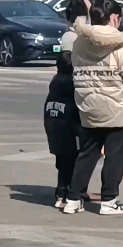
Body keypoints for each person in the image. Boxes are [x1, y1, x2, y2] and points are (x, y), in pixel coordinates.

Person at [63, 0, 123, 216]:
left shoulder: (80, 41)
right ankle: (109, 200)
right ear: (115, 18)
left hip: (87, 104)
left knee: (87, 153)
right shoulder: (120, 44)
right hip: (115, 106)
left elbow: (75, 65)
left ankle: (73, 198)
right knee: (114, 155)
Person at [43, 51, 85, 208]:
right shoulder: (73, 84)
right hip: (70, 130)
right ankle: (67, 193)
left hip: (54, 126)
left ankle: (60, 194)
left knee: (62, 163)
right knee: (72, 164)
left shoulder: (55, 83)